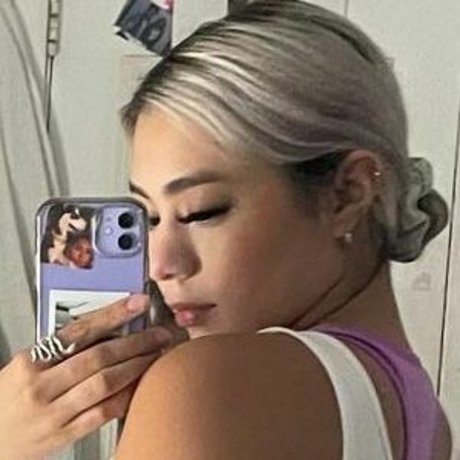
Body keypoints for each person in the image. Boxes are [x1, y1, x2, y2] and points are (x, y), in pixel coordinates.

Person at [0, 1, 453, 459]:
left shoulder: (205, 385)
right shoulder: (423, 417)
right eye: (148, 217)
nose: (159, 265)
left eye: (201, 212)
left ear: (347, 194)